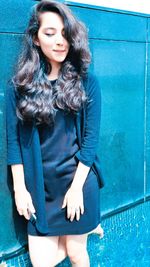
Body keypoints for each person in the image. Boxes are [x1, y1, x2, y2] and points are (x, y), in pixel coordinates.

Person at [6, 1, 104, 266]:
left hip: (78, 182)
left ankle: (88, 225)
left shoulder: (87, 82)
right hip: (41, 187)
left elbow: (90, 142)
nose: (60, 41)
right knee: (42, 263)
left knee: (76, 253)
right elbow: (13, 142)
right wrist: (20, 190)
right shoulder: (20, 86)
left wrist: (76, 190)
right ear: (36, 39)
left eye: (65, 33)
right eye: (50, 33)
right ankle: (92, 226)